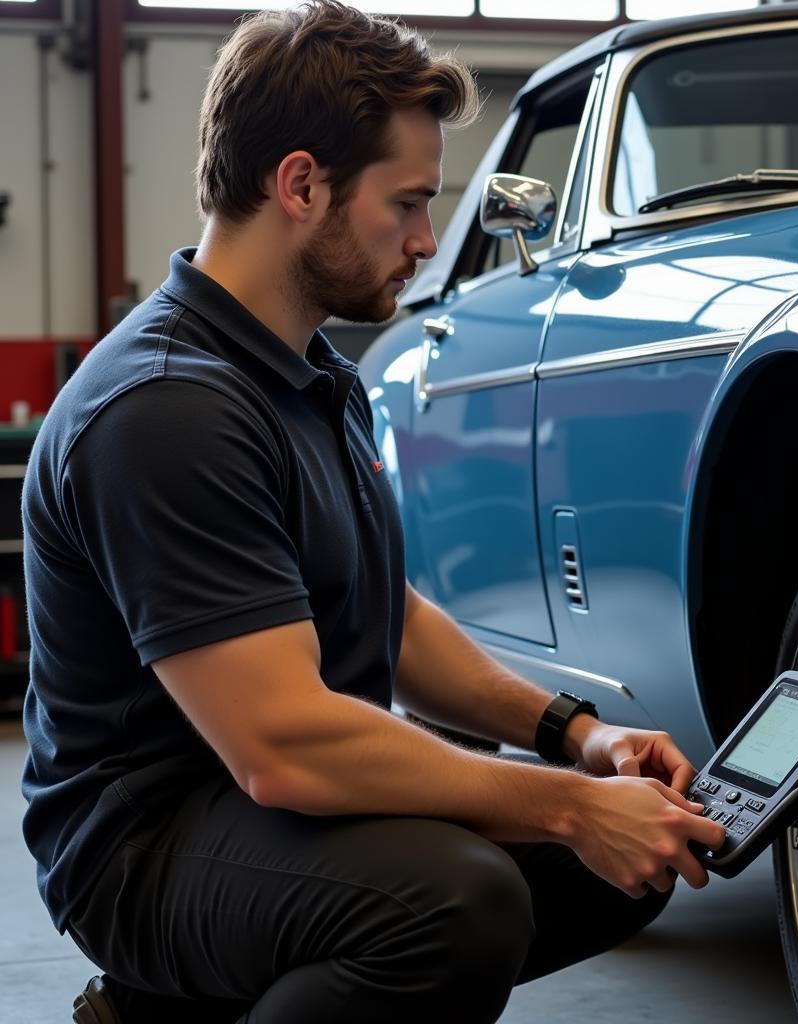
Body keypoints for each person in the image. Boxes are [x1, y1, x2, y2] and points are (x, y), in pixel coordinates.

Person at [20, 4, 725, 1022]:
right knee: (454, 902)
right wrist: (569, 805)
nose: (427, 240)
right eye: (406, 204)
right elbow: (283, 746)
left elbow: (380, 614)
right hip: (148, 840)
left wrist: (575, 739)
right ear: (301, 185)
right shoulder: (167, 406)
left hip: (256, 796)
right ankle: (158, 999)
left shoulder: (307, 374)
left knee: (640, 850)